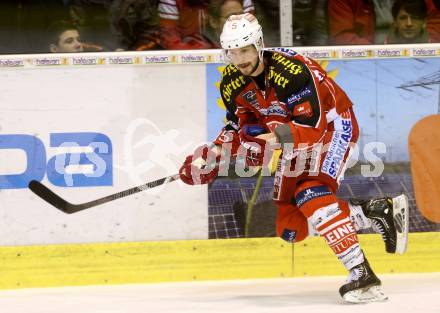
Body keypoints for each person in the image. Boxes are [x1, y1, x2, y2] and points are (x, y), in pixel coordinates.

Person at [179, 13, 409, 303]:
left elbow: (312, 125)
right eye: (232, 52)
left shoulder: (291, 71)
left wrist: (272, 142)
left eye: (245, 49)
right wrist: (210, 156)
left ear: (259, 44)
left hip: (331, 127)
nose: (239, 59)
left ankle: (363, 276)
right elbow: (239, 127)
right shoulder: (231, 81)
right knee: (291, 228)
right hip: (290, 136)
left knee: (311, 193)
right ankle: (373, 211)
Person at [158, 0, 254, 49]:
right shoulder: (171, 1)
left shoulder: (241, 2)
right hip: (191, 60)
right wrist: (207, 53)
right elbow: (171, 42)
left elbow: (252, 37)